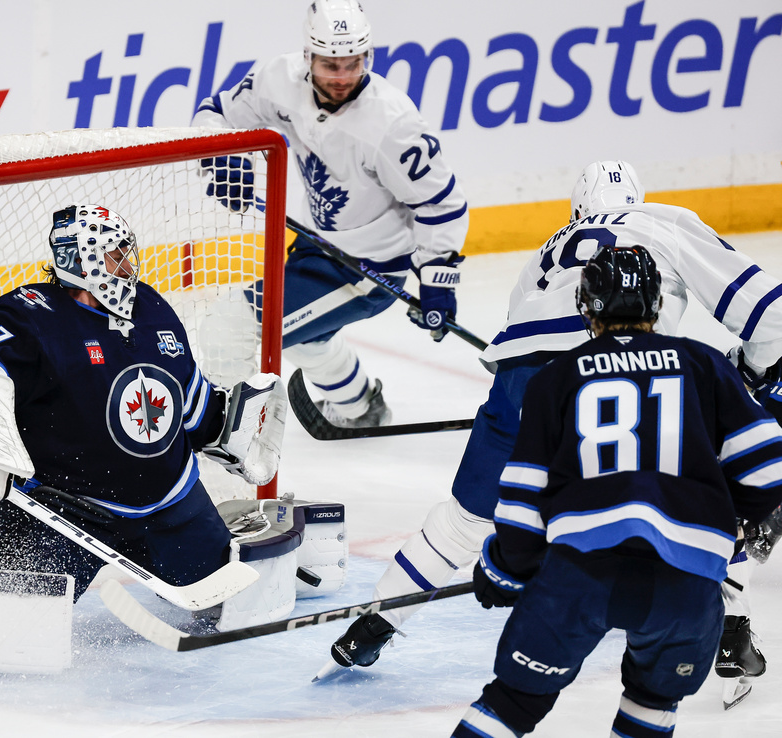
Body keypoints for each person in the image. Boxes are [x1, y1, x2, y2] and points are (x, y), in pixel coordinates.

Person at [325, 161, 782, 689]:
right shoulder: (661, 221)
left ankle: (374, 622)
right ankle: (731, 622)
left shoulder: (545, 253)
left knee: (467, 520)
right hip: (635, 379)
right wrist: (753, 375)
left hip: (523, 382)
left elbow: (523, 348)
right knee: (724, 479)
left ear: (577, 212)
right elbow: (770, 313)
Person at [448, 244, 782, 737]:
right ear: (658, 304)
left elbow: (522, 503)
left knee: (515, 702)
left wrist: (503, 570)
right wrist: (736, 518)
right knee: (652, 702)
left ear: (586, 307)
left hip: (582, 575)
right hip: (687, 583)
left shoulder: (554, 379)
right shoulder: (706, 365)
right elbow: (766, 470)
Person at [0, 204, 284, 609]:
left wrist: (224, 426)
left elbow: (185, 396)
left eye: (126, 252)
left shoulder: (152, 308)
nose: (127, 264)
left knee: (232, 610)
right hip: (62, 514)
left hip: (174, 507)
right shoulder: (32, 314)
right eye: (114, 254)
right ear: (77, 259)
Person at [192, 0, 468, 428]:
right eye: (329, 64)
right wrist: (223, 158)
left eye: (352, 64)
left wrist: (438, 280)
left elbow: (441, 203)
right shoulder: (278, 80)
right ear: (308, 57)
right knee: (305, 338)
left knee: (234, 328)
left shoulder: (393, 124)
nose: (341, 77)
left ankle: (223, 441)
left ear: (367, 57)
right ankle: (362, 407)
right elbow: (216, 112)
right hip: (318, 245)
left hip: (368, 266)